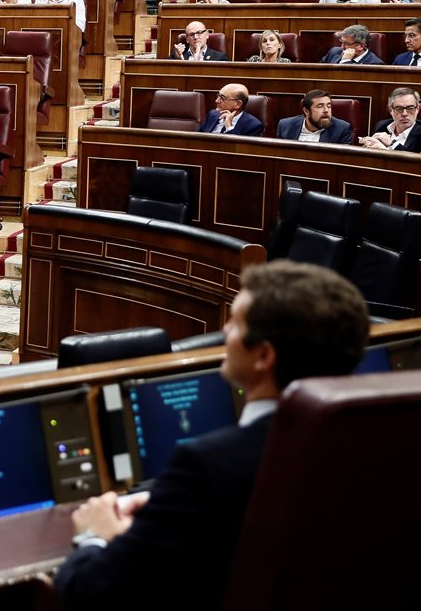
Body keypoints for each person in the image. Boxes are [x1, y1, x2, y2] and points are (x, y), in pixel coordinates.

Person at [57, 261, 368, 611]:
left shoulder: (209, 465)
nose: (224, 330)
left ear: (264, 355)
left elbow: (91, 592)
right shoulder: (371, 445)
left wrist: (96, 535)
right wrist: (168, 501)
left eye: (235, 322)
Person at [275, 90, 353, 144]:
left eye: (329, 106)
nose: (326, 110)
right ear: (306, 111)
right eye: (320, 106)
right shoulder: (286, 126)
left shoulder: (342, 129)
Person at [361, 87, 421, 151]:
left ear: (417, 109)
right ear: (390, 110)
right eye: (399, 109)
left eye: (410, 108)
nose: (404, 114)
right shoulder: (381, 126)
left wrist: (392, 143)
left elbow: (414, 159)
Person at [197, 83, 263, 135]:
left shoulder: (253, 126)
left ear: (238, 104)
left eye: (222, 98)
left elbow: (237, 149)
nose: (216, 101)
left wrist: (229, 127)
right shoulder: (212, 114)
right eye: (218, 96)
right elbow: (198, 138)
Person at [320, 24, 384, 64]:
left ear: (361, 46)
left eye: (346, 44)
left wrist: (346, 61)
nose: (342, 47)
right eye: (341, 42)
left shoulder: (374, 64)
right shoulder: (334, 52)